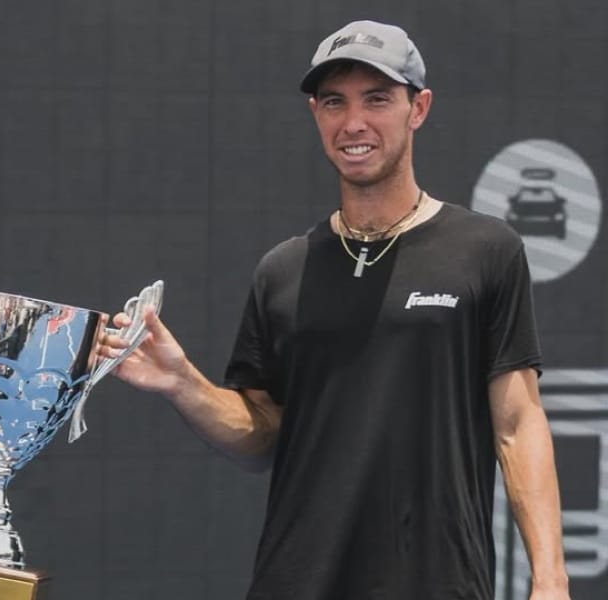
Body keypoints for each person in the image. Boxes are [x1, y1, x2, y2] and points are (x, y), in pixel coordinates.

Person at [104, 20, 569, 600]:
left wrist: (550, 580)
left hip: (438, 582)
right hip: (296, 582)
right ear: (316, 115)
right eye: (334, 103)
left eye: (377, 99)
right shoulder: (283, 269)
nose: (354, 123)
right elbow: (262, 435)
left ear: (418, 108)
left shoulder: (486, 251)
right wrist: (183, 384)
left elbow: (518, 425)